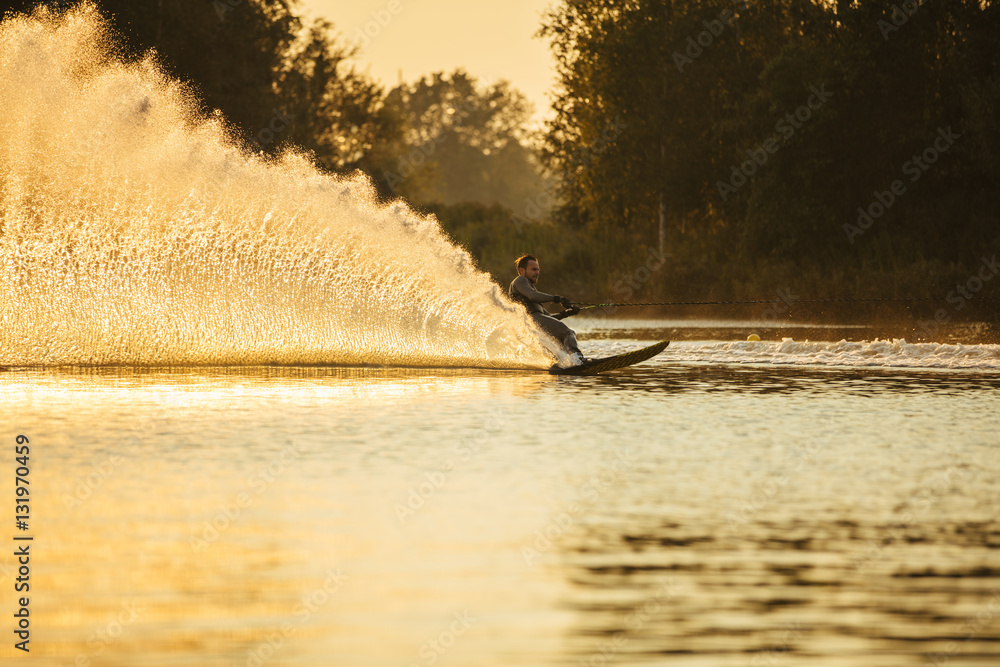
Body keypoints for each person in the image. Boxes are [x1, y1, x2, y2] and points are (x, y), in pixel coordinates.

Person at [509, 254, 585, 363]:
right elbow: (533, 295)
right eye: (533, 269)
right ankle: (578, 359)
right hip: (532, 320)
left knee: (560, 344)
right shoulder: (520, 280)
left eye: (538, 270)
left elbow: (548, 318)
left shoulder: (530, 290)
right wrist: (557, 298)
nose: (537, 273)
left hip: (534, 324)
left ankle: (567, 364)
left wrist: (566, 313)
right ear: (522, 270)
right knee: (568, 333)